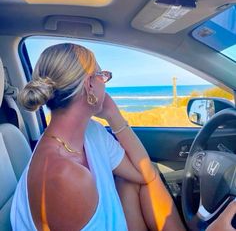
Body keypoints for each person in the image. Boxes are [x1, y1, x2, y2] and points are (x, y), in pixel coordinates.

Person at [10, 42, 235, 231]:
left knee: (134, 181)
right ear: (89, 85)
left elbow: (144, 173)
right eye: (101, 75)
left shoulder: (92, 132)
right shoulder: (63, 177)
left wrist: (112, 114)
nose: (105, 82)